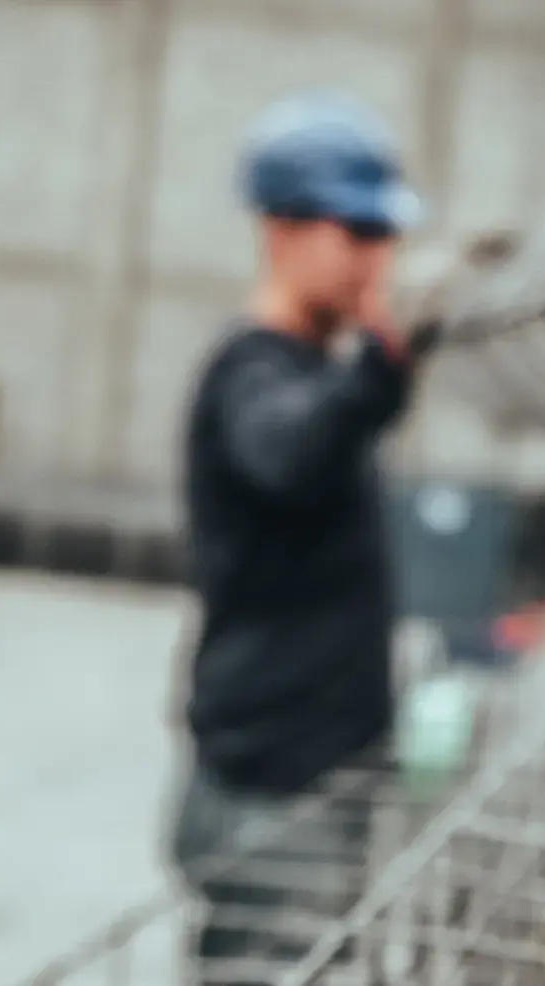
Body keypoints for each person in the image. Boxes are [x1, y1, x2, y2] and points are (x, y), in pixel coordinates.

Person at [164, 91, 427, 984]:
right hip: (274, 796)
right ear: (281, 228)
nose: (376, 257)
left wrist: (375, 377)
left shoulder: (310, 372)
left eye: (385, 235)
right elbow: (290, 452)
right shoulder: (253, 373)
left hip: (304, 781)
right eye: (355, 231)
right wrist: (382, 363)